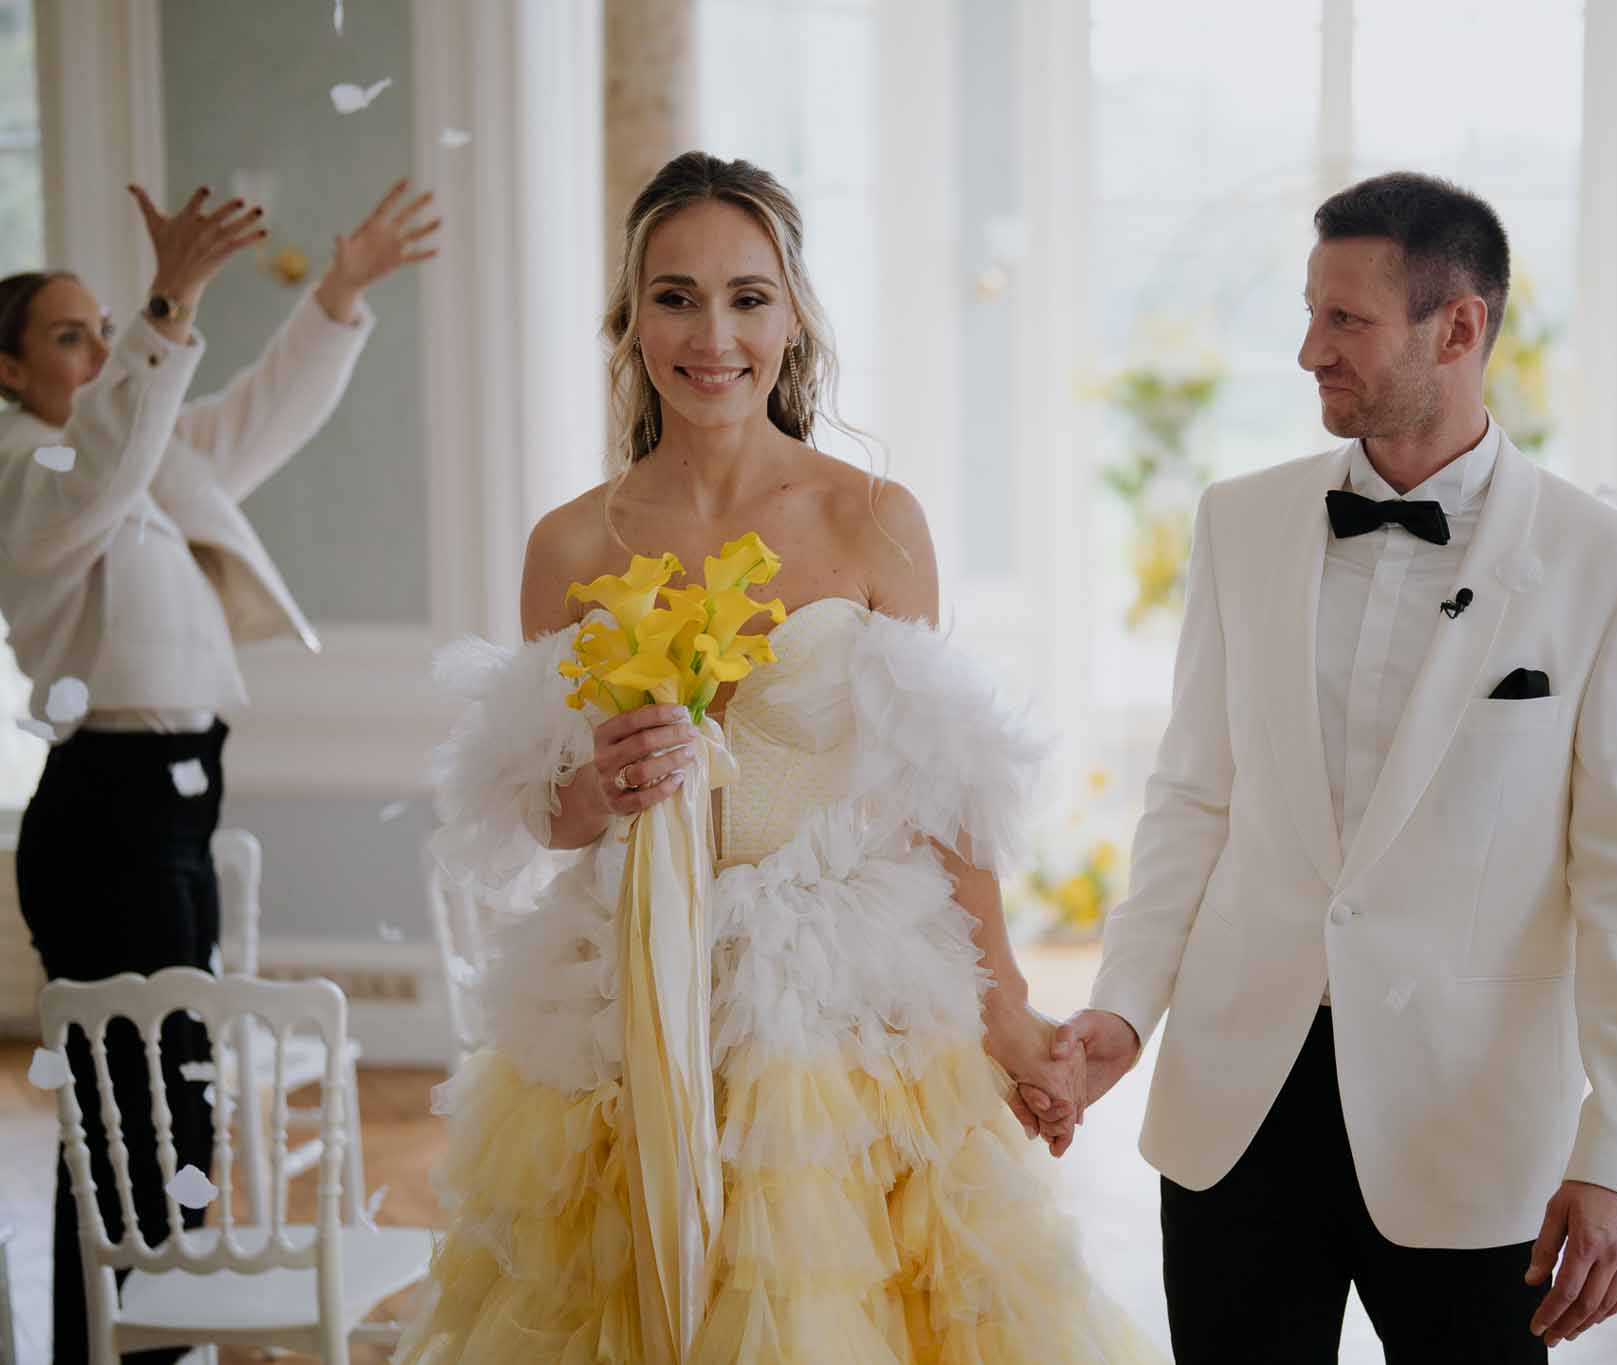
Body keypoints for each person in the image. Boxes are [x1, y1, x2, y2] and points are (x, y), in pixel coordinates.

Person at [398, 151, 1160, 1364]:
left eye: (748, 297)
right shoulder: (569, 544)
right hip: (631, 991)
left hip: (842, 996)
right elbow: (543, 810)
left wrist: (1005, 1012)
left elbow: (942, 792)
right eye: (676, 295)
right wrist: (597, 787)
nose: (713, 334)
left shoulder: (870, 519)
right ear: (630, 320)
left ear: (793, 319)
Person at [1051, 172, 1617, 1362]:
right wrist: (1120, 1007)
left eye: (1343, 320)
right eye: (1308, 314)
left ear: (1455, 328)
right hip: (1234, 1108)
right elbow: (1191, 795)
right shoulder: (1235, 523)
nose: (1307, 350)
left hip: (1471, 1130)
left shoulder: (1608, 567)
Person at [0, 178, 435, 1363]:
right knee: (127, 1117)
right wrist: (170, 299)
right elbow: (101, 462)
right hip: (107, 814)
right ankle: (137, 1346)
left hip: (180, 804)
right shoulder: (29, 475)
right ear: (8, 371)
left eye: (106, 328)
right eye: (70, 334)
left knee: (162, 1105)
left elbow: (253, 420)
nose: (99, 347)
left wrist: (337, 298)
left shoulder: (134, 459)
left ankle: (148, 1345)